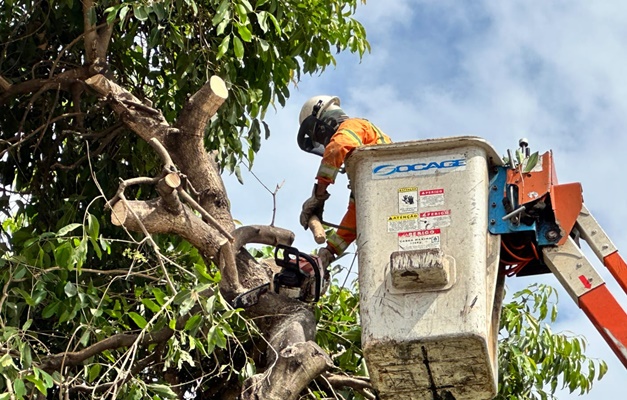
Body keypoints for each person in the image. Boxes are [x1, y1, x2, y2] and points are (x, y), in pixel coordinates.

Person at [297, 95, 392, 269]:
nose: (324, 144)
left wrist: (318, 196)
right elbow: (357, 216)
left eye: (318, 137)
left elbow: (337, 148)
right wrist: (329, 251)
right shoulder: (367, 177)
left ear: (323, 125)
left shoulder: (354, 125)